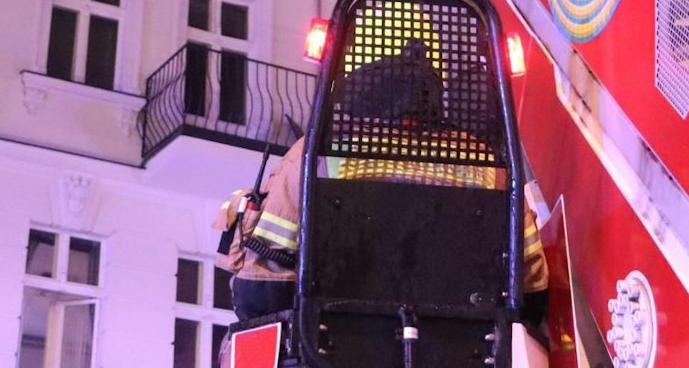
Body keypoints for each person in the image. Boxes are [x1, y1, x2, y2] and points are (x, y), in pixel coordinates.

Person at [217, 40, 549, 325]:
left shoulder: (315, 155)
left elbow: (262, 292)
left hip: (334, 346)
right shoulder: (487, 163)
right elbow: (532, 292)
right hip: (472, 348)